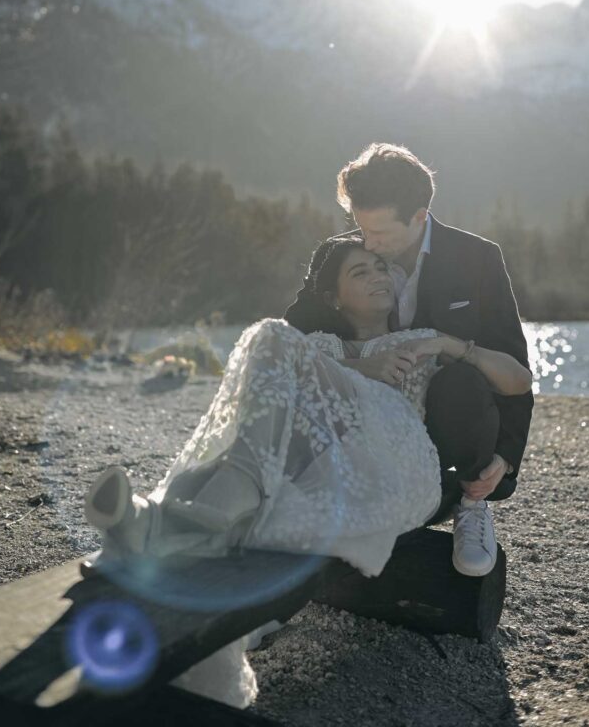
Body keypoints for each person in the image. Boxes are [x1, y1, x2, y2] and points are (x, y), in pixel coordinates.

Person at [85, 237, 531, 580]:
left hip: (394, 465)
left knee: (272, 340)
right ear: (334, 298)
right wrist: (360, 365)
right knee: (270, 344)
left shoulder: (420, 342)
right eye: (360, 272)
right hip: (317, 464)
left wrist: (451, 344)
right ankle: (148, 519)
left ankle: (200, 505)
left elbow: (518, 380)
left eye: (381, 268)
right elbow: (268, 404)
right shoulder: (316, 346)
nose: (378, 276)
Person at [285, 142, 534, 576]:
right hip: (355, 431)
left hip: (439, 421)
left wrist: (505, 458)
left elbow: (512, 363)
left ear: (420, 216)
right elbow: (285, 344)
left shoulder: (477, 258)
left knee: (465, 381)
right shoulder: (338, 257)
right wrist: (358, 368)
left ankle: (470, 504)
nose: (368, 243)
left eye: (379, 233)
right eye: (360, 228)